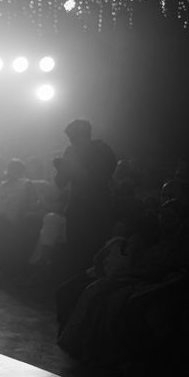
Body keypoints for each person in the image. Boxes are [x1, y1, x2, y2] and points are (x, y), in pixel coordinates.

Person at [54, 119, 118, 278]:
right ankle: (74, 284)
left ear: (85, 135)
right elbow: (60, 183)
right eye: (69, 139)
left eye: (74, 137)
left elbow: (99, 178)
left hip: (97, 209)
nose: (71, 141)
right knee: (74, 249)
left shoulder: (102, 150)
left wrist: (74, 168)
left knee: (94, 249)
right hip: (75, 208)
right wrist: (60, 169)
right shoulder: (70, 151)